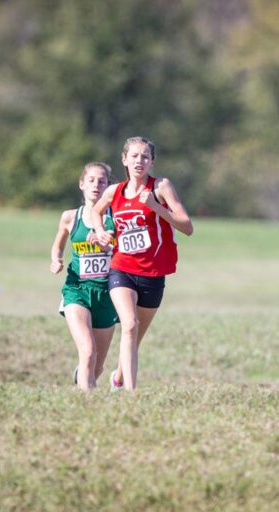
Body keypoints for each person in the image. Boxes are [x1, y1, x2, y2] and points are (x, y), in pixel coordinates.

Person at [91, 137, 193, 391]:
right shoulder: (114, 191)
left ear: (152, 162)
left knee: (134, 338)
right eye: (134, 156)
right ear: (124, 159)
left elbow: (187, 227)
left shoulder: (160, 187)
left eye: (145, 156)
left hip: (153, 273)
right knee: (129, 325)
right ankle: (132, 394)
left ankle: (118, 378)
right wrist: (100, 230)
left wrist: (156, 207)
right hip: (121, 268)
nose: (140, 161)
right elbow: (96, 211)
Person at [50, 162, 118, 390]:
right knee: (88, 352)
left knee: (96, 367)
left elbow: (123, 253)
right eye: (91, 180)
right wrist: (56, 259)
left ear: (109, 186)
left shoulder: (116, 219)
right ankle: (86, 404)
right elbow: (58, 245)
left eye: (102, 181)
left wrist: (106, 246)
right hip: (76, 290)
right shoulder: (70, 217)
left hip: (107, 295)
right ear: (82, 184)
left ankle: (83, 377)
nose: (96, 185)